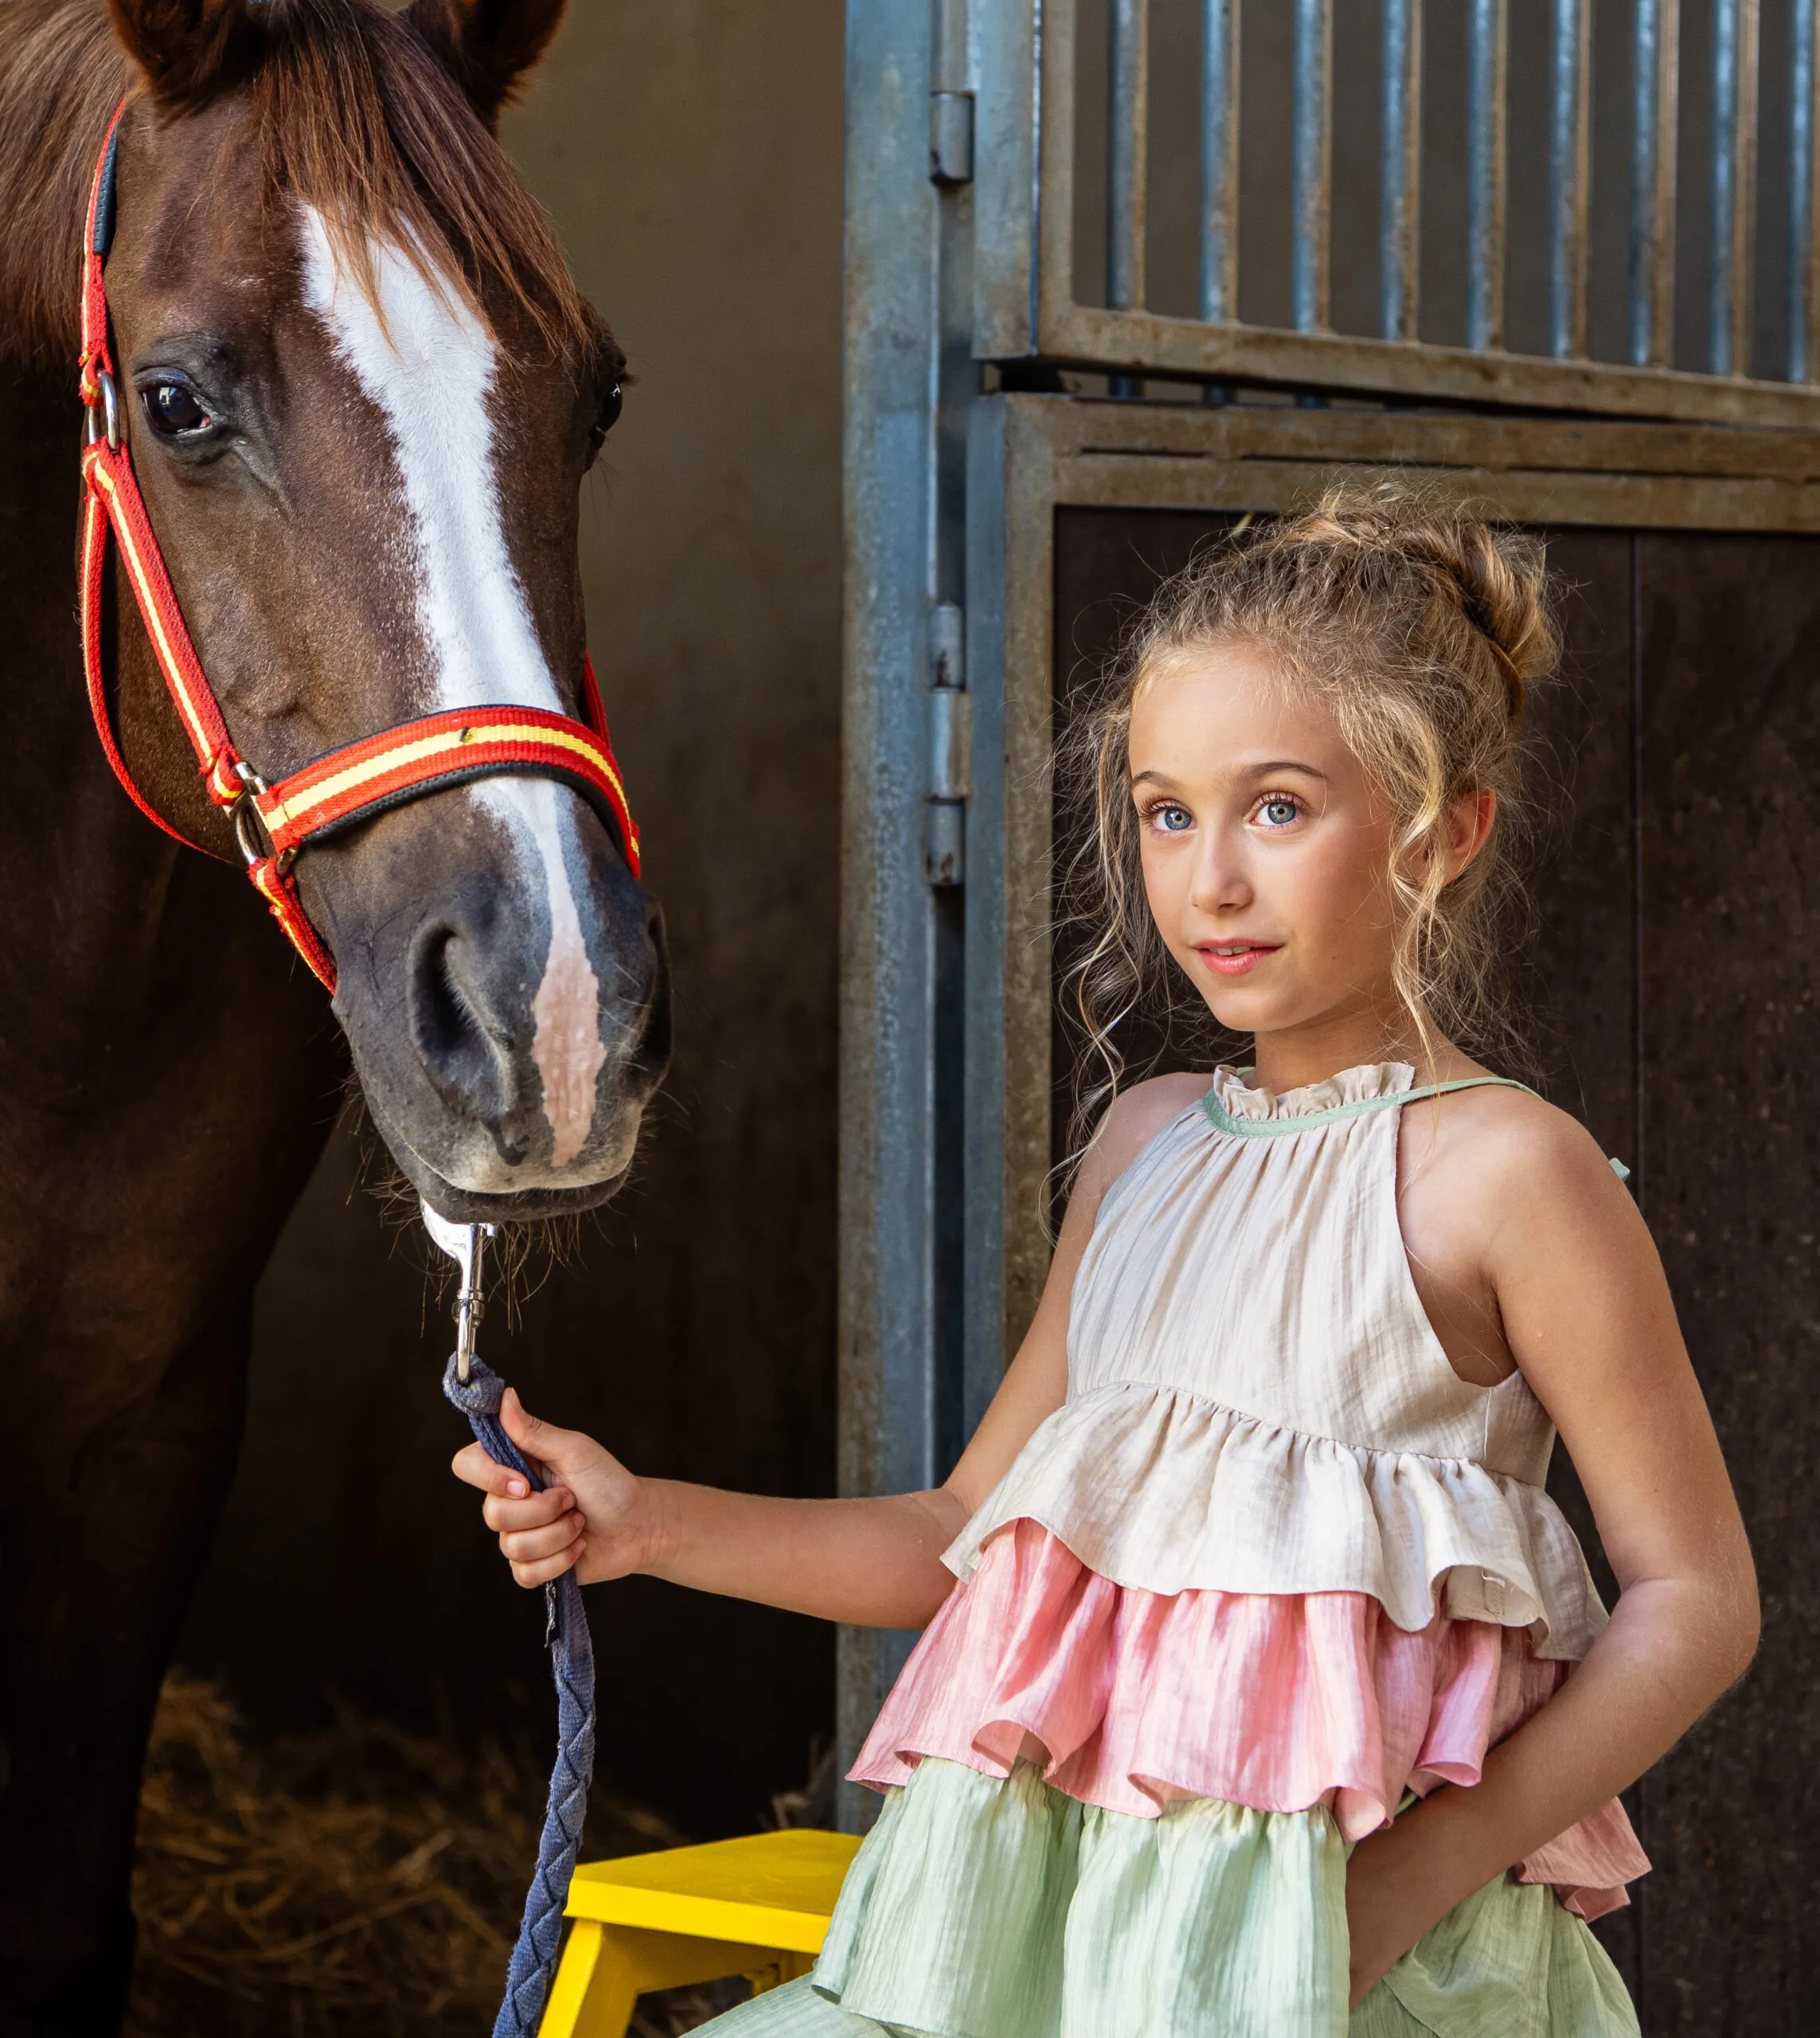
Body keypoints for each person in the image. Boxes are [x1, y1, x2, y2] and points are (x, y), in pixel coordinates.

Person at [454, 484, 1757, 2035]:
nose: (1210, 877)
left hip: (1355, 1962)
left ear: (1443, 829)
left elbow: (1697, 1595)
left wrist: (1420, 1866)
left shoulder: (1505, 1174)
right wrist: (645, 1522)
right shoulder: (1147, 1146)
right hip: (1041, 1949)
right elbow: (960, 1529)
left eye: (1278, 806)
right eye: (1165, 809)